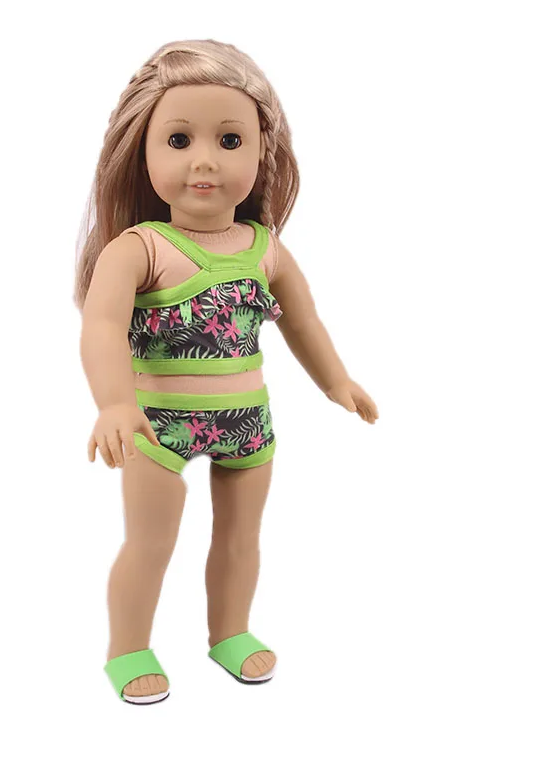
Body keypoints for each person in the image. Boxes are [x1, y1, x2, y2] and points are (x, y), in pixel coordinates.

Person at [75, 39, 379, 704]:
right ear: (142, 151)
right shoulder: (139, 248)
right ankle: (128, 649)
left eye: (231, 140)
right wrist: (115, 403)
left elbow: (303, 322)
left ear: (263, 152)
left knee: (241, 539)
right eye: (179, 140)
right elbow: (100, 328)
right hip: (157, 425)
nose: (205, 160)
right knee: (151, 542)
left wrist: (336, 380)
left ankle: (230, 632)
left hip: (247, 422)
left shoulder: (266, 249)